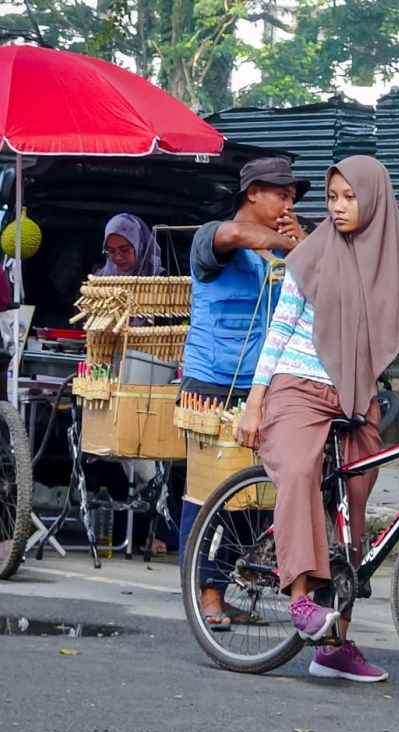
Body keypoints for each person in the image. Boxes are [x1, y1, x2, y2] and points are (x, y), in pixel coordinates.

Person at [236, 155, 399, 684]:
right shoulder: (311, 255)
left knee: (355, 512)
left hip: (356, 398)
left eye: (348, 196)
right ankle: (299, 601)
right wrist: (255, 398)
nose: (337, 207)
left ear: (374, 198)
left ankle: (334, 643)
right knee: (298, 470)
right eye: (332, 197)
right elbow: (282, 327)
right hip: (297, 387)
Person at [180, 156, 311, 630]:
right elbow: (236, 237)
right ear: (252, 192)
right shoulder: (214, 236)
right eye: (282, 194)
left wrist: (305, 245)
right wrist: (291, 243)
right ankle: (206, 596)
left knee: (253, 500)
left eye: (294, 197)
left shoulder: (287, 246)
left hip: (267, 386)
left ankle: (223, 586)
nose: (289, 203)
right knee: (208, 496)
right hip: (211, 385)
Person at [94, 214, 172, 554]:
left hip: (150, 377)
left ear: (139, 246)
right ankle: (117, 531)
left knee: (148, 456)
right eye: (110, 251)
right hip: (113, 375)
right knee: (110, 454)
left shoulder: (161, 285)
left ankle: (152, 531)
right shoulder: (102, 281)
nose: (117, 257)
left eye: (124, 249)